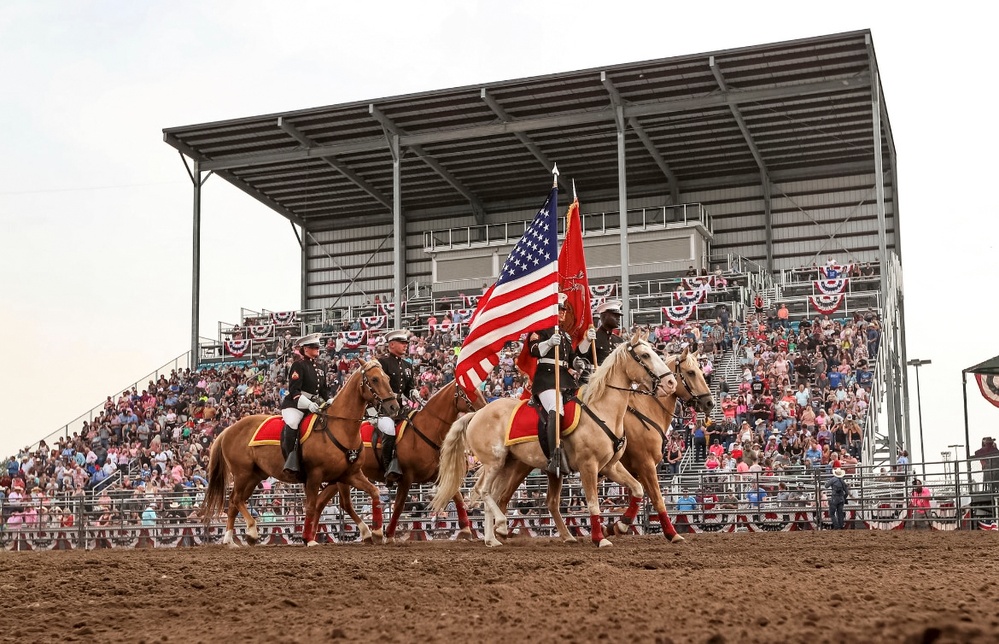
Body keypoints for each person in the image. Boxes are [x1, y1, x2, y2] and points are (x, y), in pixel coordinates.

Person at [528, 293, 590, 475]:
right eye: (559, 308)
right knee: (556, 408)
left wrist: (579, 359)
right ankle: (554, 456)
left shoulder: (565, 335)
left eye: (564, 309)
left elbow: (571, 359)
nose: (563, 312)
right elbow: (533, 351)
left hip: (564, 379)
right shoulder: (540, 329)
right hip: (546, 379)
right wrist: (547, 343)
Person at [279, 333, 330, 475]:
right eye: (314, 347)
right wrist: (308, 404)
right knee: (293, 423)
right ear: (305, 349)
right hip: (295, 405)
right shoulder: (298, 365)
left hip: (315, 404)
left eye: (318, 347)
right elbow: (295, 391)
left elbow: (324, 390)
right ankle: (290, 459)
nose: (317, 349)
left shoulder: (321, 366)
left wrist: (329, 401)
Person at [377, 329, 417, 484]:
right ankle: (388, 469)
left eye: (406, 343)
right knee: (389, 430)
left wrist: (414, 393)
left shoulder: (408, 365)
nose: (405, 346)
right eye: (402, 343)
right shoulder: (383, 363)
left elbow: (409, 389)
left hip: (400, 408)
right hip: (384, 409)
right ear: (391, 344)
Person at [591, 300, 624, 366]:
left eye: (618, 316)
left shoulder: (619, 340)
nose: (618, 319)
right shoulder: (593, 338)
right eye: (615, 316)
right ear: (604, 317)